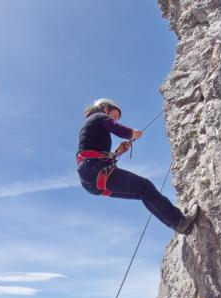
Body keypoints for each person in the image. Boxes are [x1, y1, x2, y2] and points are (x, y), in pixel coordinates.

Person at [76, 98, 199, 234]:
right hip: (95, 170)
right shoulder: (99, 116)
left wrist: (118, 152)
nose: (114, 120)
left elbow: (94, 153)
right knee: (145, 186)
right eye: (114, 115)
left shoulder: (90, 125)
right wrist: (133, 133)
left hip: (91, 178)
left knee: (143, 192)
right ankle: (179, 221)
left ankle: (177, 223)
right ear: (105, 108)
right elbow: (117, 129)